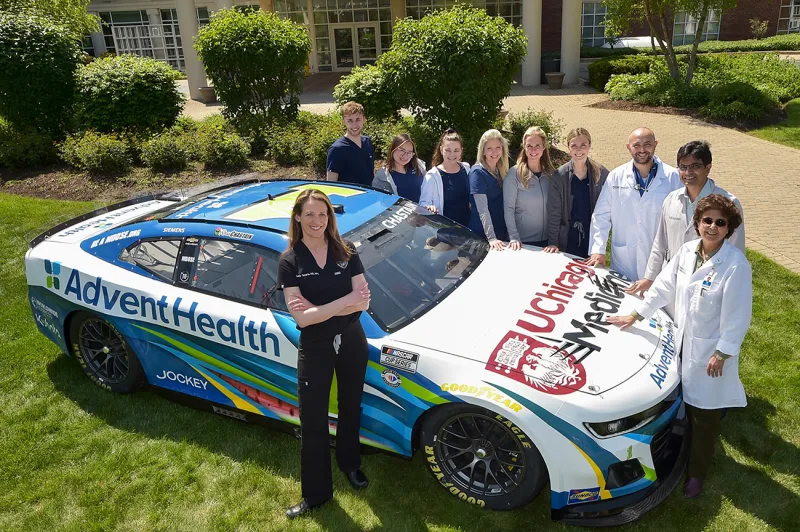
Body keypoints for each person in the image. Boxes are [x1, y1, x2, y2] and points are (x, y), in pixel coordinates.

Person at [608, 194, 751, 499]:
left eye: (719, 222)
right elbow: (663, 287)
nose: (712, 226)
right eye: (707, 220)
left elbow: (738, 315)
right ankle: (675, 452)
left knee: (706, 416)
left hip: (710, 353)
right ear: (698, 223)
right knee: (679, 405)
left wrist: (722, 352)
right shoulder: (687, 251)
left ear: (729, 228)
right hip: (682, 341)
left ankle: (697, 474)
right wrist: (636, 314)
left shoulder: (735, 265)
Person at [278, 189, 372, 518]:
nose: (317, 221)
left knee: (350, 407)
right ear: (298, 217)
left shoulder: (346, 251)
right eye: (310, 214)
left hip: (351, 338)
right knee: (313, 419)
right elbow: (302, 318)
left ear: (329, 217)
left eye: (323, 214)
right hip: (316, 346)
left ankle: (351, 464)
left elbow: (363, 300)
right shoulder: (290, 261)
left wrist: (326, 308)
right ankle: (316, 495)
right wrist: (342, 303)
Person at [627, 140, 746, 300]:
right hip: (670, 284)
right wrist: (650, 278)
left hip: (706, 290)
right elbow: (660, 243)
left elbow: (735, 252)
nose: (688, 172)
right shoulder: (671, 199)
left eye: (695, 166)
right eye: (683, 167)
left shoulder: (728, 202)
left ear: (708, 167)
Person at [586, 127, 681, 281]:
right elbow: (601, 215)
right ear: (628, 147)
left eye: (647, 144)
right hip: (624, 258)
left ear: (655, 144)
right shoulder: (616, 176)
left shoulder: (673, 177)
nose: (642, 150)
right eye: (636, 145)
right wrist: (598, 249)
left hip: (659, 257)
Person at [543, 127, 609, 258]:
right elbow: (554, 213)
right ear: (568, 147)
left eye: (583, 145)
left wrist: (599, 247)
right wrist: (553, 242)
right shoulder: (559, 176)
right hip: (567, 238)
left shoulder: (602, 174)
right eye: (574, 146)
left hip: (591, 238)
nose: (578, 150)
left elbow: (606, 213)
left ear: (590, 145)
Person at [503, 126, 555, 250]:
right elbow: (508, 209)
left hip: (547, 242)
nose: (533, 150)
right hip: (523, 243)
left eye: (537, 145)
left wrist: (554, 239)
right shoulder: (514, 174)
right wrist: (514, 237)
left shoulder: (551, 174)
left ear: (544, 147)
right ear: (524, 147)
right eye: (529, 145)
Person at [467, 129, 510, 250]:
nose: (494, 152)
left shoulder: (501, 170)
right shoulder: (477, 173)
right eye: (489, 148)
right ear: (483, 151)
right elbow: (483, 210)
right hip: (483, 236)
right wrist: (491, 238)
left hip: (500, 231)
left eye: (498, 147)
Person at [419, 129, 471, 226]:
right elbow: (423, 204)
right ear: (441, 149)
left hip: (468, 230)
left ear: (461, 151)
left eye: (456, 150)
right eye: (448, 150)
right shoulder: (432, 176)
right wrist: (429, 207)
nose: (452, 154)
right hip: (444, 232)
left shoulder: (467, 168)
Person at [326, 101, 375, 186]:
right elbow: (331, 184)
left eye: (358, 119)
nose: (354, 125)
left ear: (364, 119)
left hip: (369, 196)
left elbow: (371, 173)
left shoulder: (367, 142)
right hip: (348, 198)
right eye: (350, 120)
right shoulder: (337, 149)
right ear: (343, 121)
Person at [372, 133, 427, 202]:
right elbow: (378, 202)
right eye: (402, 150)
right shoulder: (382, 176)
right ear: (393, 149)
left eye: (409, 152)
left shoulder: (419, 166)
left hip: (423, 212)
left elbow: (429, 192)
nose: (405, 156)